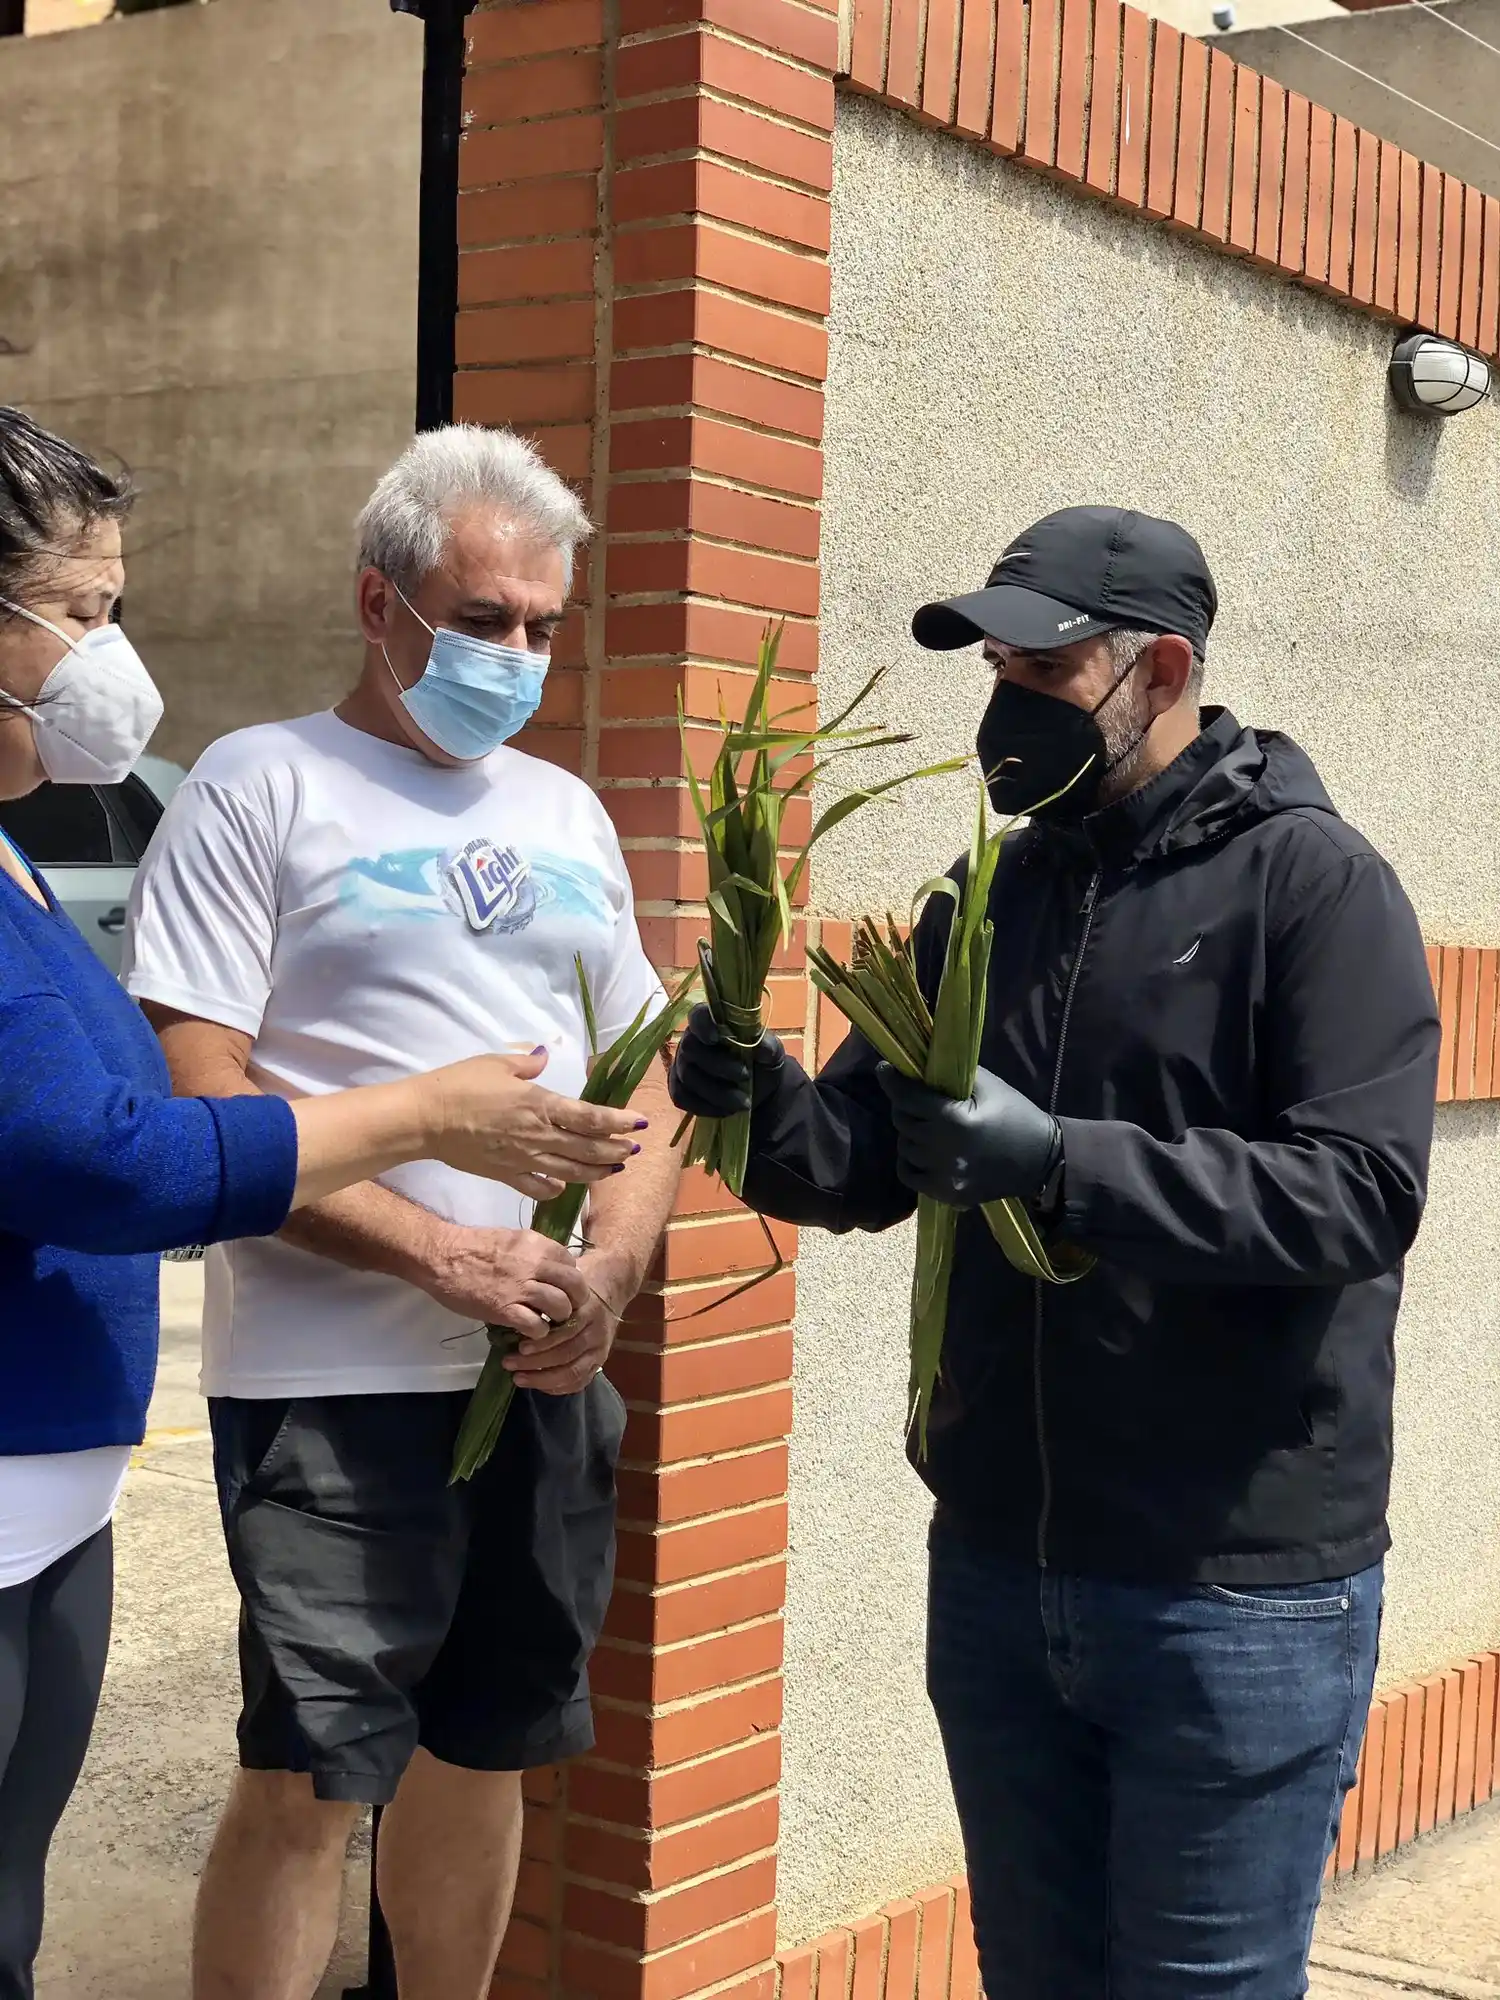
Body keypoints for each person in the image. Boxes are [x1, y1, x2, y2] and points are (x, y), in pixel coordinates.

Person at [669, 506, 1441, 1998]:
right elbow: (864, 1163)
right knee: (1032, 1974)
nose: (1006, 707)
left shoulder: (1313, 887)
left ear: (1160, 667)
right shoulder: (995, 894)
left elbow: (1357, 1193)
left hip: (1230, 1587)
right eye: (995, 669)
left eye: (1044, 668)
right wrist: (756, 1104)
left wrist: (1066, 1163)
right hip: (1006, 1571)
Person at [0, 407, 645, 2000]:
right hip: (331, 1384)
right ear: (383, 602)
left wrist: (607, 1278)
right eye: (483, 619)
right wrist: (440, 1249)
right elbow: (192, 1106)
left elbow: (646, 1080)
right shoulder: (261, 784)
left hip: (538, 1374)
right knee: (309, 1777)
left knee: (483, 1749)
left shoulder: (566, 817)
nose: (515, 656)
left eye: (542, 629)